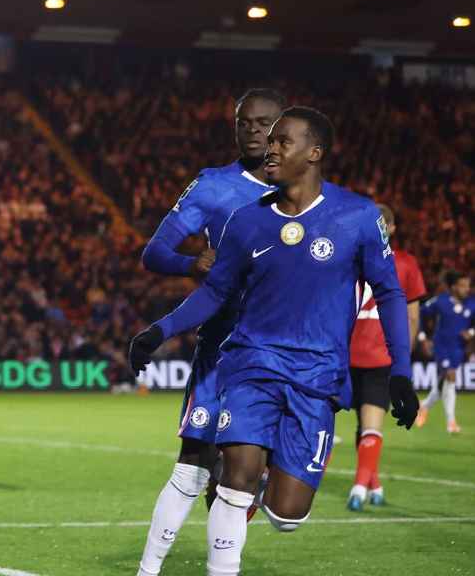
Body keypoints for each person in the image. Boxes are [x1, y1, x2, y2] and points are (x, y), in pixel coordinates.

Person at [128, 107, 419, 576]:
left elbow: (389, 292)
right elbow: (217, 291)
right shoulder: (247, 222)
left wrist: (400, 373)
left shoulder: (358, 218)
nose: (272, 149)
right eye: (272, 140)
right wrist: (160, 331)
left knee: (287, 514)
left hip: (317, 377)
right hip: (250, 366)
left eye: (284, 141)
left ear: (315, 152)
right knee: (234, 479)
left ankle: (276, 486)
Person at [135, 88, 283, 576]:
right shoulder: (213, 186)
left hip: (281, 353)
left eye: (265, 123)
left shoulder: (309, 196)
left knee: (253, 484)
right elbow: (154, 252)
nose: (255, 131)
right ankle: (149, 569)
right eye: (246, 123)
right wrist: (190, 262)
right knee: (194, 465)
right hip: (221, 347)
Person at [346, 204, 427, 510]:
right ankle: (367, 485)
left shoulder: (351, 261)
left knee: (363, 423)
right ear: (390, 229)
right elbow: (412, 317)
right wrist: (404, 357)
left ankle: (365, 486)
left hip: (350, 352)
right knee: (369, 425)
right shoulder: (406, 264)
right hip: (382, 355)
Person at [417, 271, 473, 433]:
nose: (466, 289)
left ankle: (424, 405)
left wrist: (471, 332)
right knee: (451, 376)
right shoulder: (440, 301)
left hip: (458, 349)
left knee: (443, 385)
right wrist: (423, 338)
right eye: (463, 286)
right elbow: (420, 313)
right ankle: (451, 422)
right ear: (454, 287)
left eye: (468, 286)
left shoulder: (471, 304)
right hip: (441, 347)